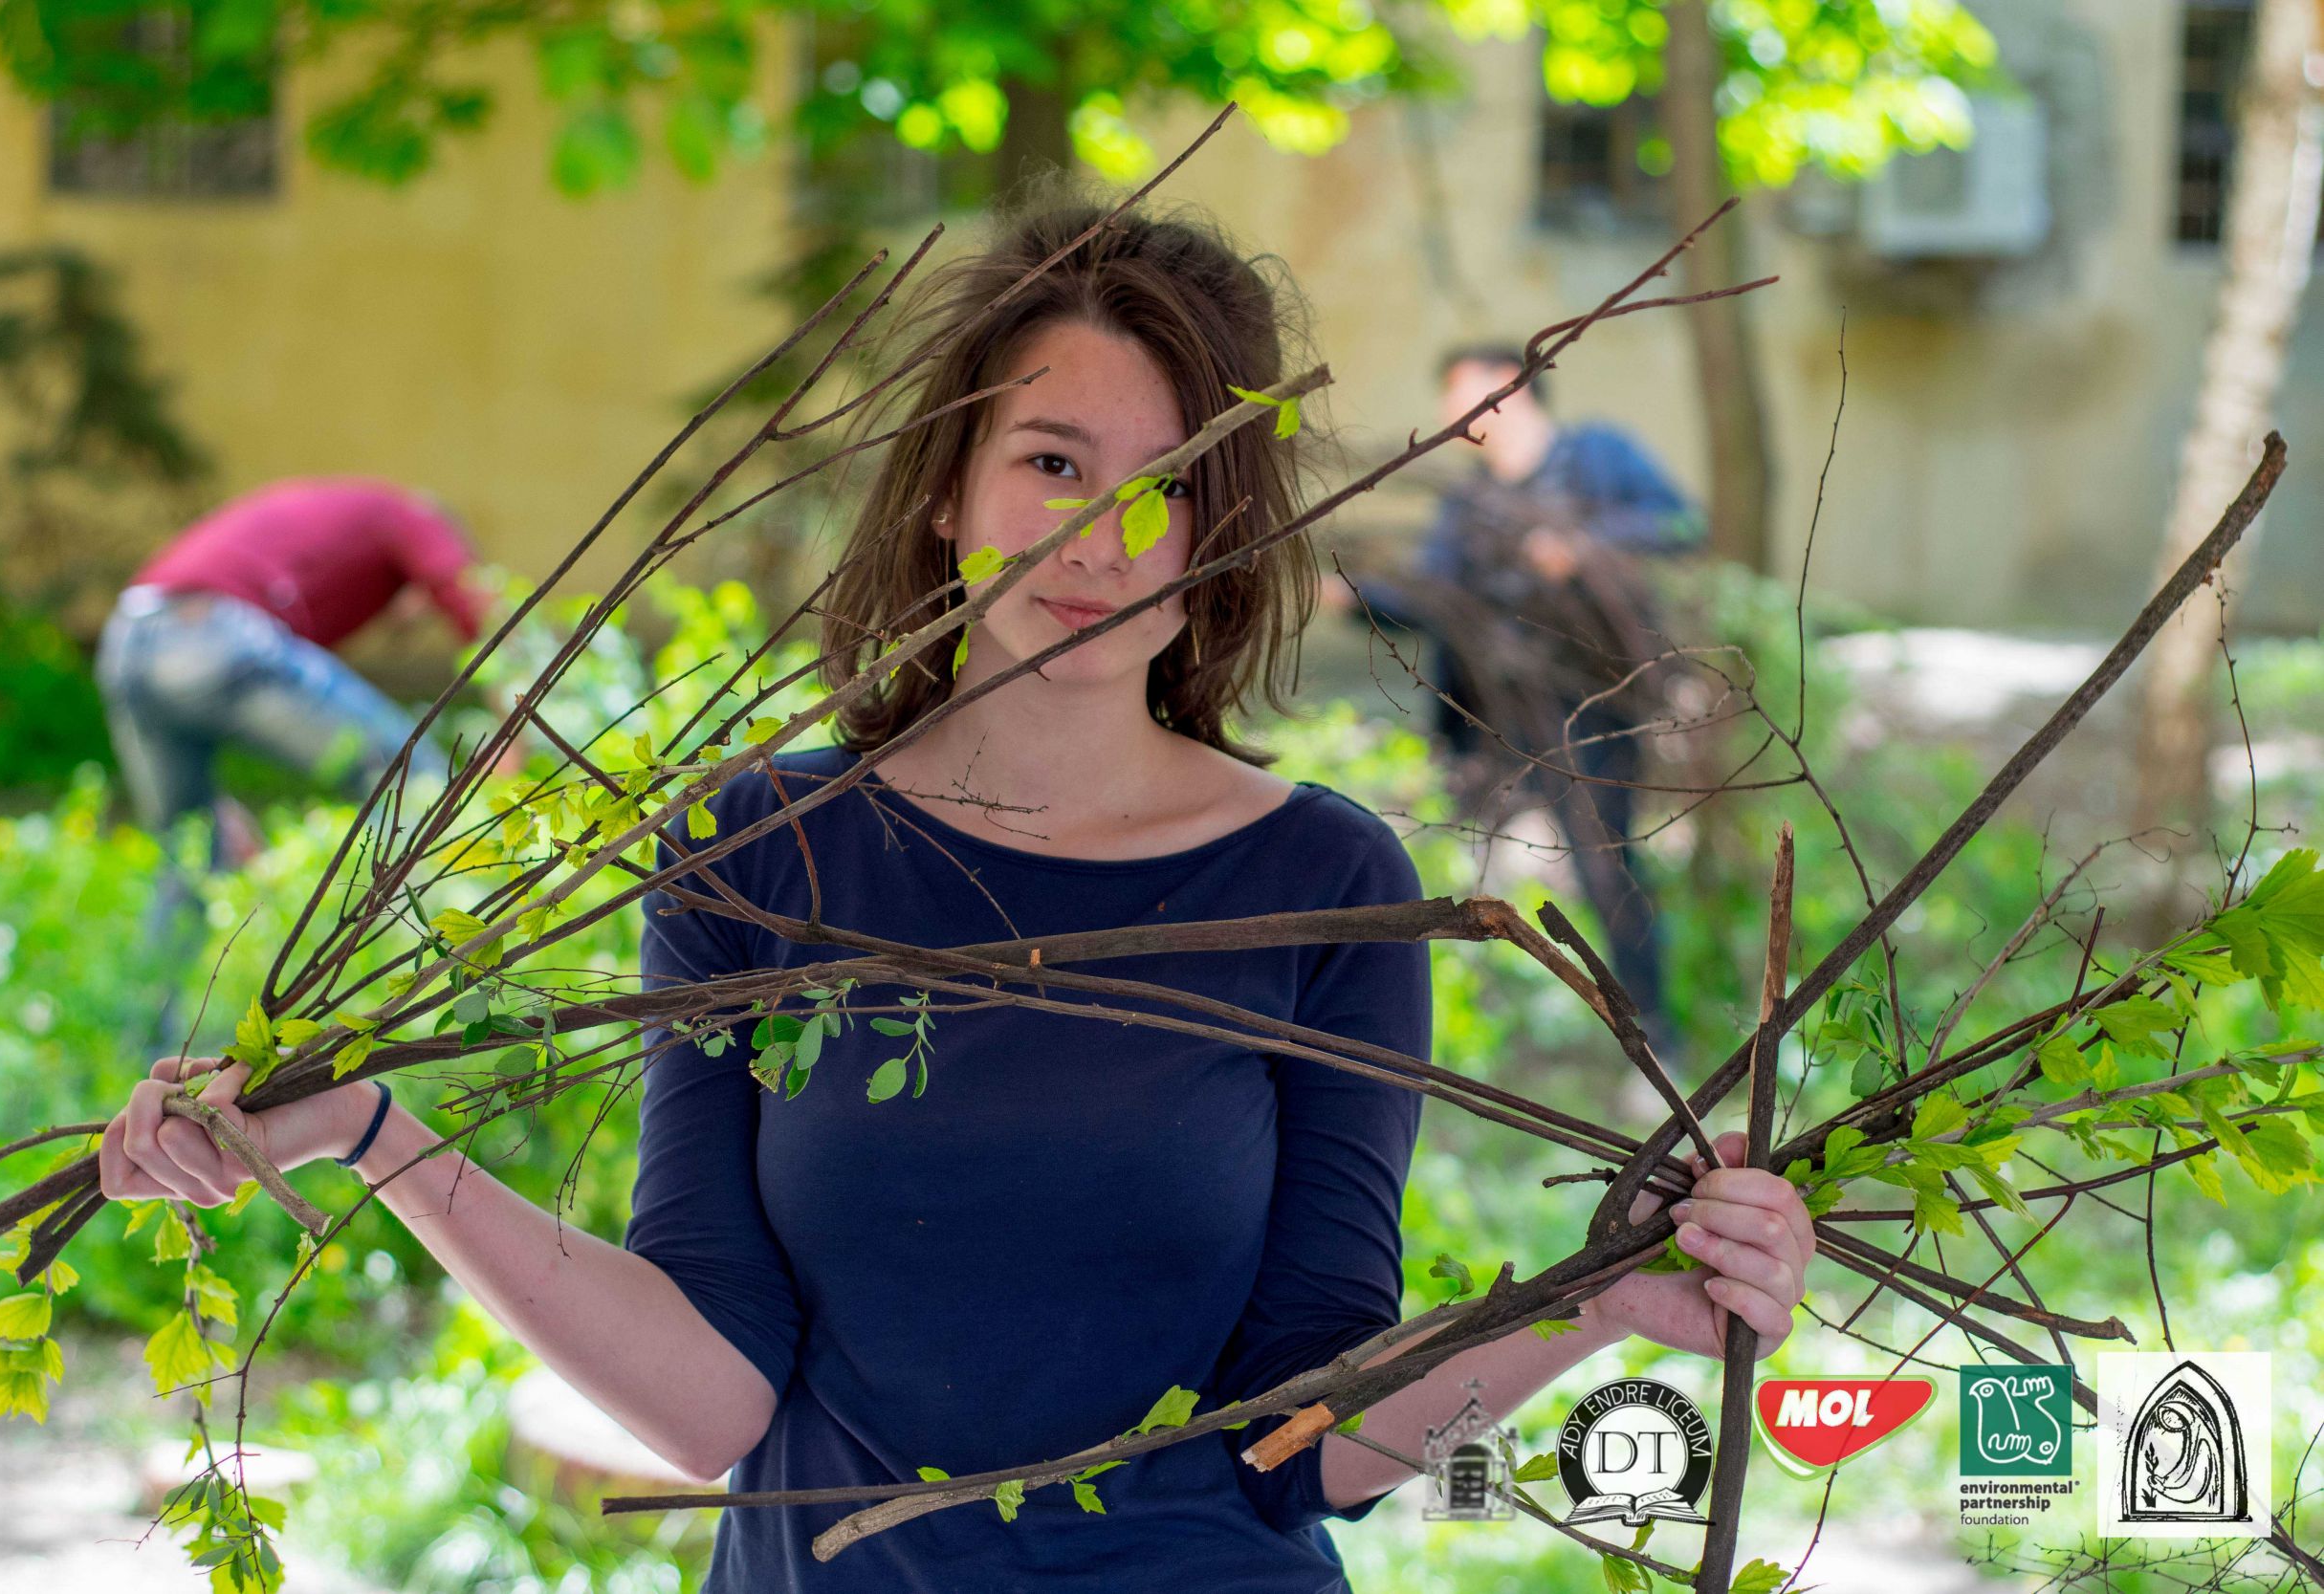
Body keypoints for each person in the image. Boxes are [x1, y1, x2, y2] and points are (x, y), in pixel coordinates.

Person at [96, 195, 1814, 1592]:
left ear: (1225, 540)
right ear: (945, 492)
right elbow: (711, 1400)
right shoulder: (761, 849)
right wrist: (379, 1135)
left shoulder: (1326, 883)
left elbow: (1313, 1439)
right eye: (1053, 462)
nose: (1104, 538)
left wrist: (1601, 1301)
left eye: (1172, 488)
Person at [1327, 345, 1704, 1068]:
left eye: (1464, 394)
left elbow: (1682, 526)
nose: (1452, 414)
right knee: (1465, 865)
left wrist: (1582, 547)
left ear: (1510, 389)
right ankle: (1479, 1033)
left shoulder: (1598, 458)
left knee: (1606, 867)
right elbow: (1434, 598)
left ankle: (1657, 1038)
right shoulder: (1468, 505)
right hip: (1495, 721)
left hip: (1591, 707)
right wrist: (1353, 598)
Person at [97, 476, 511, 1049]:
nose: (413, 625)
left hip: (127, 640)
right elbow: (474, 602)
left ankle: (138, 1046)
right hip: (211, 630)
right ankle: (431, 991)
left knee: (191, 851)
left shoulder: (333, 548)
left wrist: (209, 798)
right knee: (413, 779)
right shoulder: (408, 514)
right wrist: (520, 723)